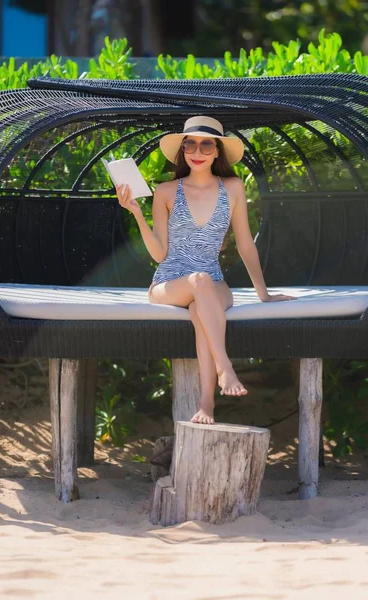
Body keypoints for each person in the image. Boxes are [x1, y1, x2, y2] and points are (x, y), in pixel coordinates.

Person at [116, 116, 296, 425]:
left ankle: (207, 404)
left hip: (212, 279)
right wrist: (136, 213)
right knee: (199, 284)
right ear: (182, 150)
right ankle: (225, 367)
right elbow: (160, 254)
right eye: (190, 144)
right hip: (170, 281)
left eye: (206, 144)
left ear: (217, 151)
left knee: (202, 306)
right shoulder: (166, 191)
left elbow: (245, 245)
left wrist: (263, 295)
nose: (197, 151)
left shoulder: (234, 188)